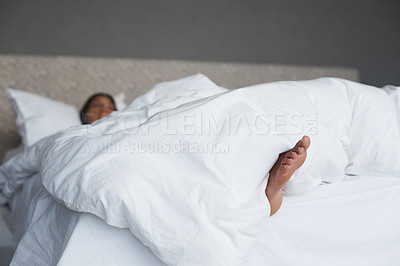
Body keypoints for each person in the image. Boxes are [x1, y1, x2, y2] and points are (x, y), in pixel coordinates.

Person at [80, 93, 310, 216]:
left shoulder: (127, 120)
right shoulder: (78, 137)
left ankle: (265, 183)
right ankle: (268, 193)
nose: (104, 110)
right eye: (97, 105)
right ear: (83, 114)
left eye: (110, 106)